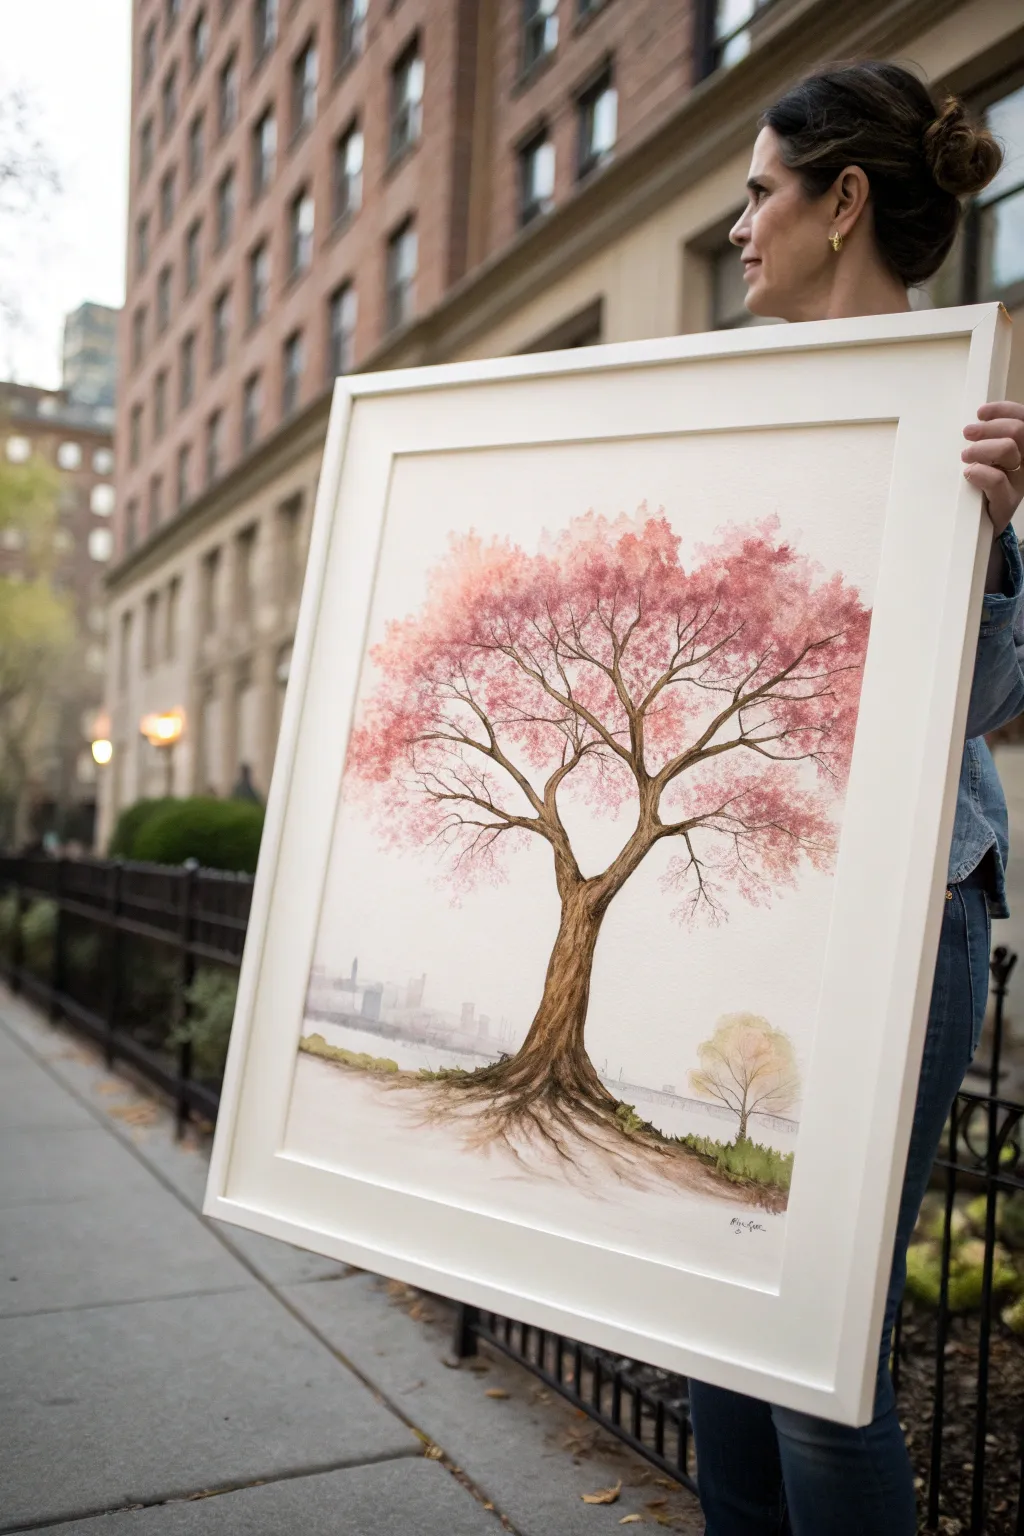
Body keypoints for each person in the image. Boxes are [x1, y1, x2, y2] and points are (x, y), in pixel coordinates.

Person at [687, 61, 1024, 1536]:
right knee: (715, 1324)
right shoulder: (731, 403)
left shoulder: (965, 423)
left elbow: (996, 703)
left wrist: (998, 546)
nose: (742, 228)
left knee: (819, 1360)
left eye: (761, 195)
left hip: (897, 919)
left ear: (844, 203)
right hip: (752, 907)